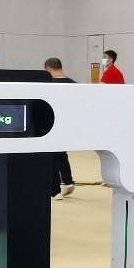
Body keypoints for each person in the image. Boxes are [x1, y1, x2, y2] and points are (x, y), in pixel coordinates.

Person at [45, 57, 76, 200]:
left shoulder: (48, 84)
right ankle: (68, 181)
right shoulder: (74, 84)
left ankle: (54, 190)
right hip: (68, 125)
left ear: (48, 69)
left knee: (51, 157)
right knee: (62, 154)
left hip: (51, 125)